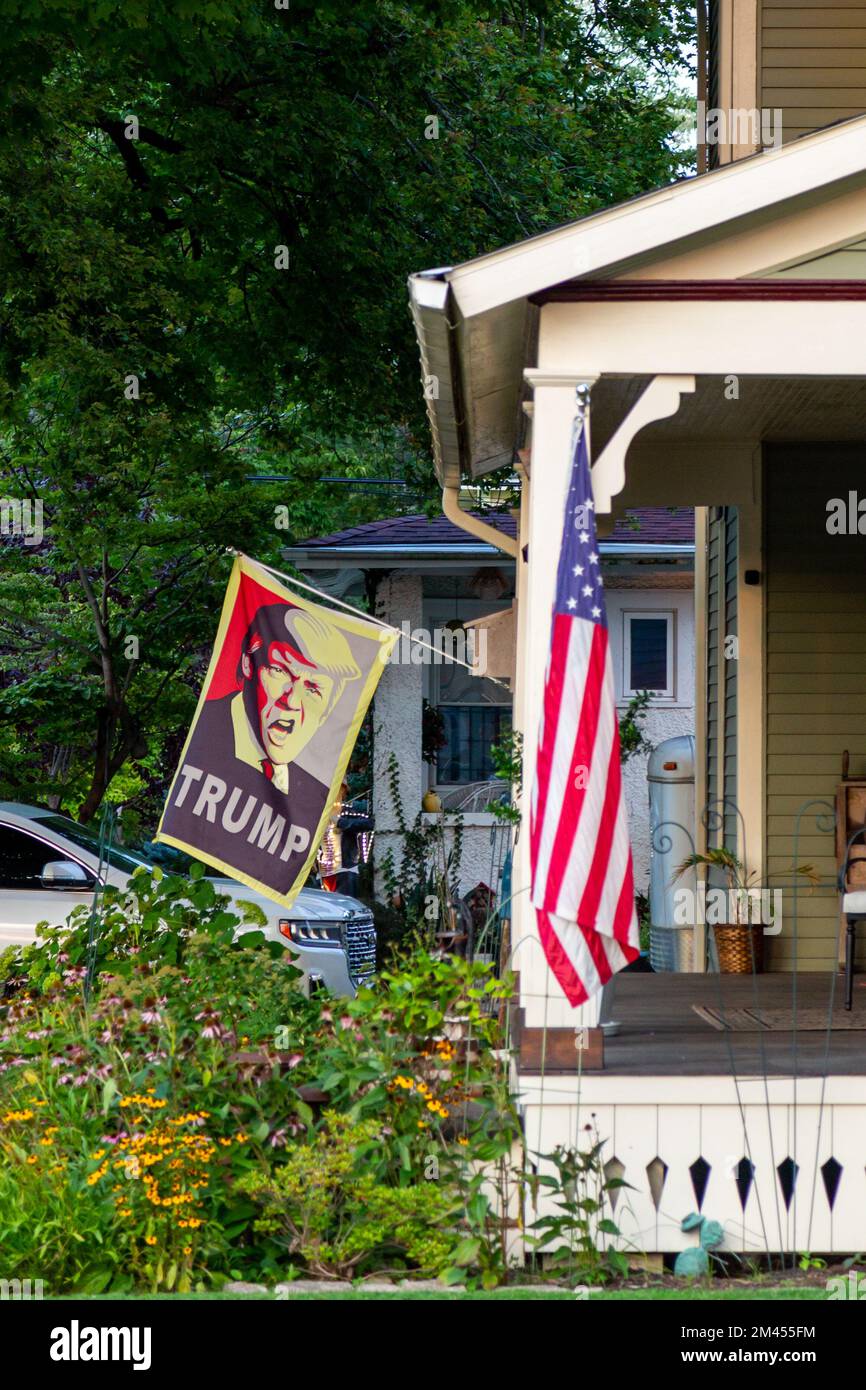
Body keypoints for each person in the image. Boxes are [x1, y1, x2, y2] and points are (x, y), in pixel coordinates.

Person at [160, 600, 361, 892]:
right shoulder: (209, 743)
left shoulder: (313, 780)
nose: (292, 701)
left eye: (314, 688)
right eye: (280, 672)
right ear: (248, 664)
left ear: (328, 708)